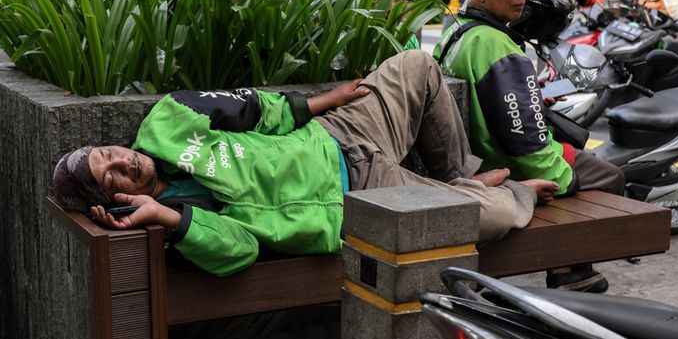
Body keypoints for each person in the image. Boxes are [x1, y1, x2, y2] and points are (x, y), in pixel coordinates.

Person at [53, 51, 558, 277]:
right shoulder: (183, 223)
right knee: (493, 217)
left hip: (338, 134)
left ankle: (457, 179)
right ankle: (519, 193)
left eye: (109, 152)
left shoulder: (168, 120)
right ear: (117, 200)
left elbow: (256, 108)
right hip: (359, 200)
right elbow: (241, 252)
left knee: (417, 66)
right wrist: (168, 218)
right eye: (111, 175)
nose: (123, 161)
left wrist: (328, 100)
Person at [435, 0, 624, 293]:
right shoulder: (498, 47)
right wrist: (564, 179)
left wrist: (529, 95)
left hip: (474, 155)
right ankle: (567, 272)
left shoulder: (455, 33)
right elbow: (526, 144)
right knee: (610, 177)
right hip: (505, 162)